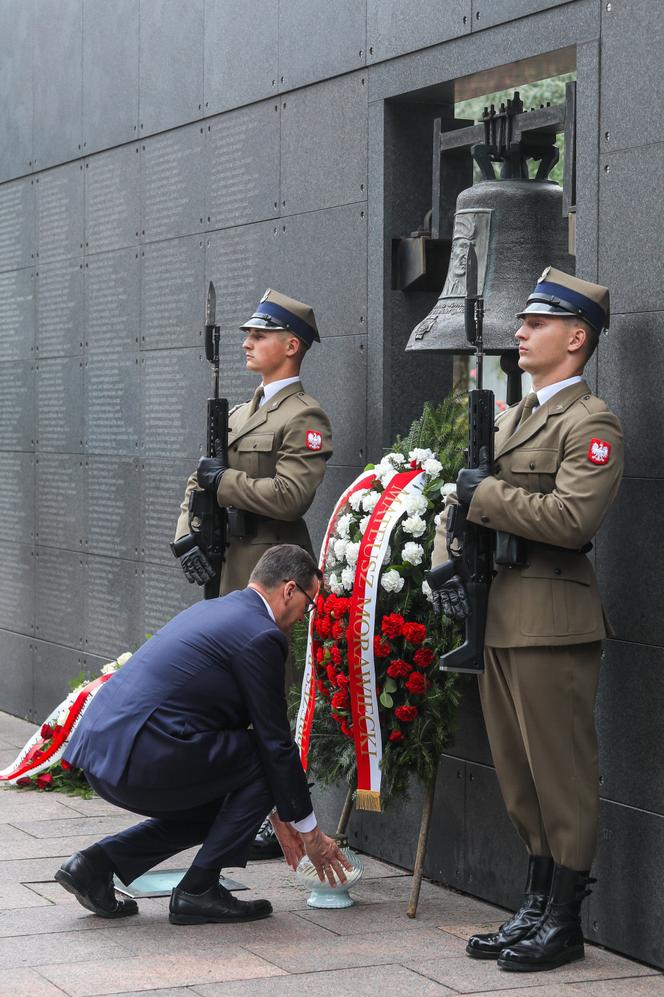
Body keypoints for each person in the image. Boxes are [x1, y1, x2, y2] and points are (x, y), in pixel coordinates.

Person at [431, 267, 624, 972]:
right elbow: (469, 503)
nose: (521, 329)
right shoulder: (514, 416)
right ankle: (536, 902)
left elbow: (572, 520)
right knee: (518, 776)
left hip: (552, 619)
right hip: (500, 615)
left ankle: (564, 920)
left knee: (560, 775)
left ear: (576, 337)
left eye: (537, 323)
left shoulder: (591, 423)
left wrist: (484, 497)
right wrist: (450, 554)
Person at [55, 545, 351, 925]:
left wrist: (276, 809)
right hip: (145, 754)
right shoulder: (262, 635)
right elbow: (274, 744)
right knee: (264, 757)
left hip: (106, 753)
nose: (304, 619)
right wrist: (310, 833)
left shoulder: (217, 609)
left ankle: (93, 866)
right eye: (309, 605)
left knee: (222, 808)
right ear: (289, 590)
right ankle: (199, 889)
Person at [174, 288, 333, 859]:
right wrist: (186, 536)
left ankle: (284, 813)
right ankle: (245, 808)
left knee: (274, 699)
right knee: (230, 700)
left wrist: (224, 484)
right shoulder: (239, 414)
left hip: (273, 575)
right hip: (228, 571)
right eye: (247, 334)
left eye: (260, 335)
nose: (247, 342)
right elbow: (200, 480)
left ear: (291, 346)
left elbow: (291, 497)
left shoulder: (304, 415)